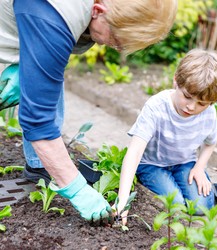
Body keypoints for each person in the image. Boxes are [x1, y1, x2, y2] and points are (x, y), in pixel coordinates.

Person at [0, 0, 178, 222]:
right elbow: (38, 122)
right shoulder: (53, 12)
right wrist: (78, 191)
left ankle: (39, 165)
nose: (115, 48)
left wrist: (31, 64)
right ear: (98, 11)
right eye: (117, 41)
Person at [114, 49, 217, 224]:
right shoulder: (156, 106)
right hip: (152, 165)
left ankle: (179, 181)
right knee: (175, 205)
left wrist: (199, 168)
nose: (191, 107)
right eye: (187, 97)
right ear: (176, 81)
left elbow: (210, 143)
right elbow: (135, 151)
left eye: (201, 103)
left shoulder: (209, 113)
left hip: (184, 163)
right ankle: (150, 183)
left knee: (202, 206)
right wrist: (122, 200)